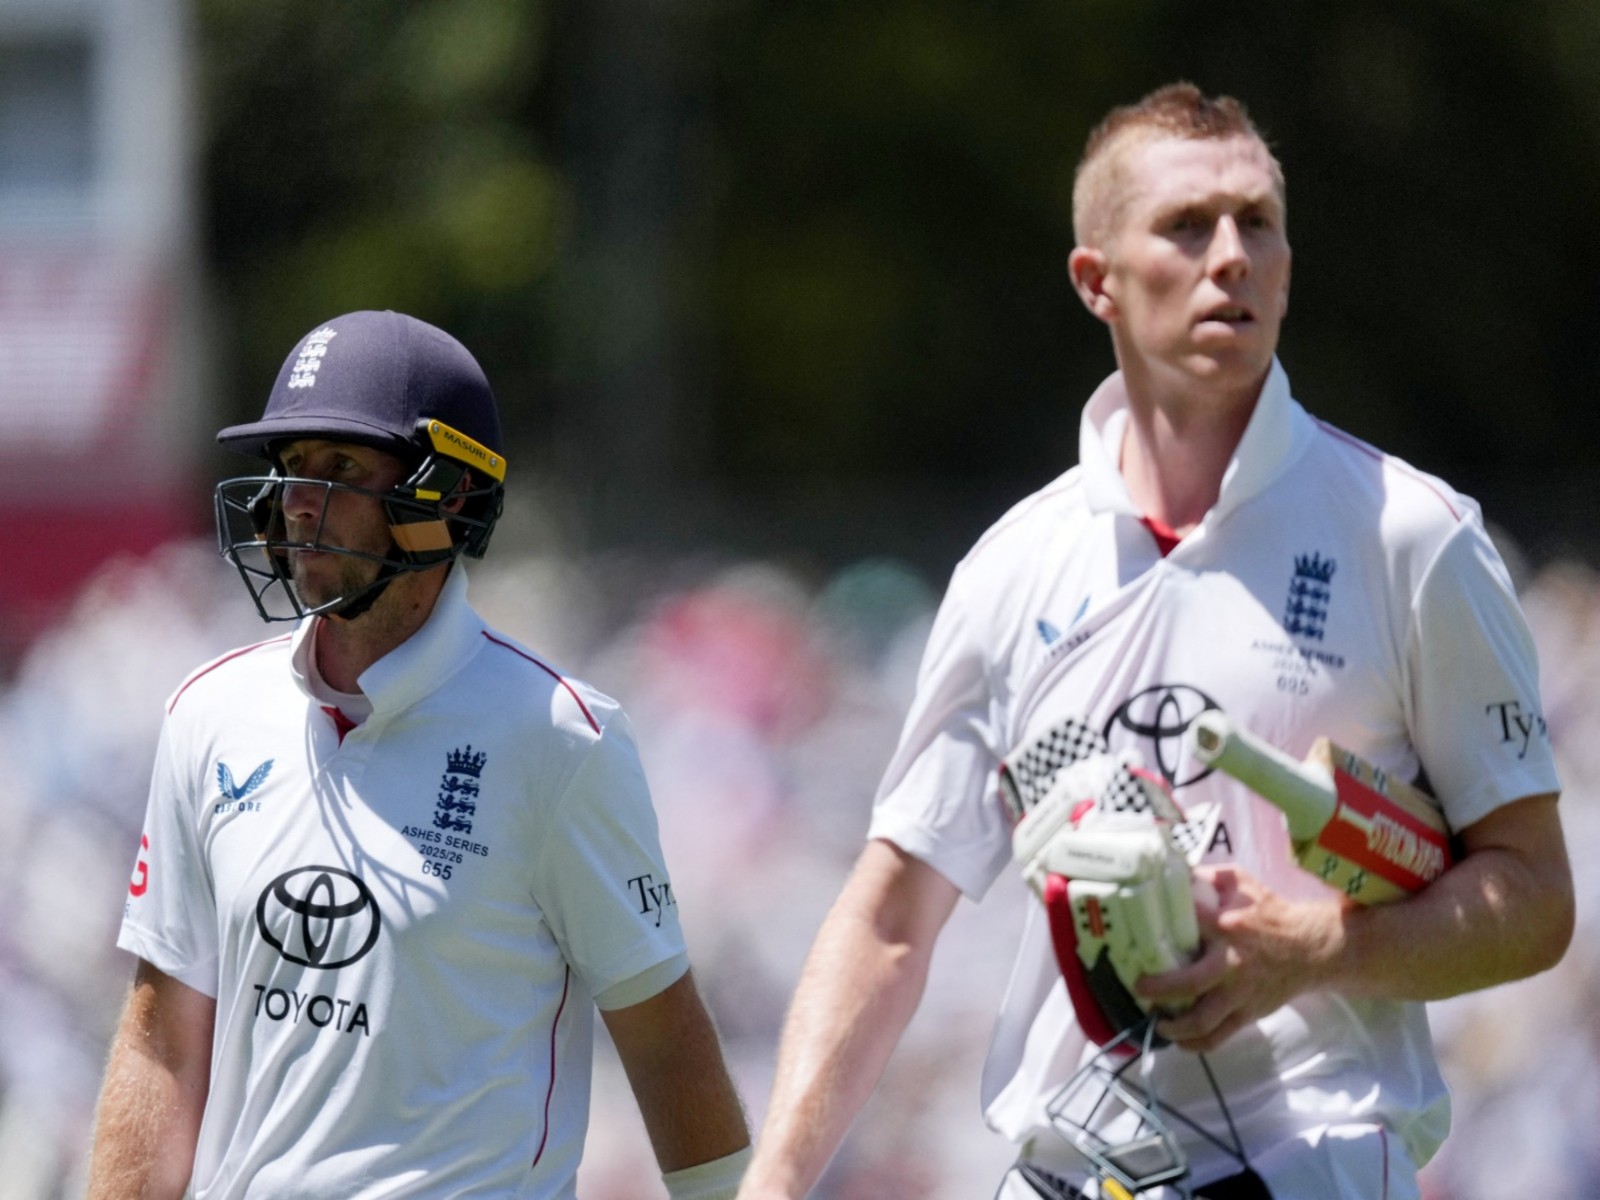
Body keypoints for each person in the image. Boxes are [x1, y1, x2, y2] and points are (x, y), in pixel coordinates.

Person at [735, 83, 1573, 1200]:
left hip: (1315, 1169)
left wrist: (1320, 950)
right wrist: (774, 1183)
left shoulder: (1409, 534)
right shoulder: (1012, 567)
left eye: (1257, 223)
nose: (1231, 257)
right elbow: (890, 920)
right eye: (1186, 226)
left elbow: (1535, 899)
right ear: (1098, 282)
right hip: (1064, 1177)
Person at [87, 310, 751, 1199]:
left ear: (449, 496)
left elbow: (666, 1045)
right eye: (291, 465)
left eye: (340, 469)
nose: (299, 500)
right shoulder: (209, 714)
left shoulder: (560, 737)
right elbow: (161, 1042)